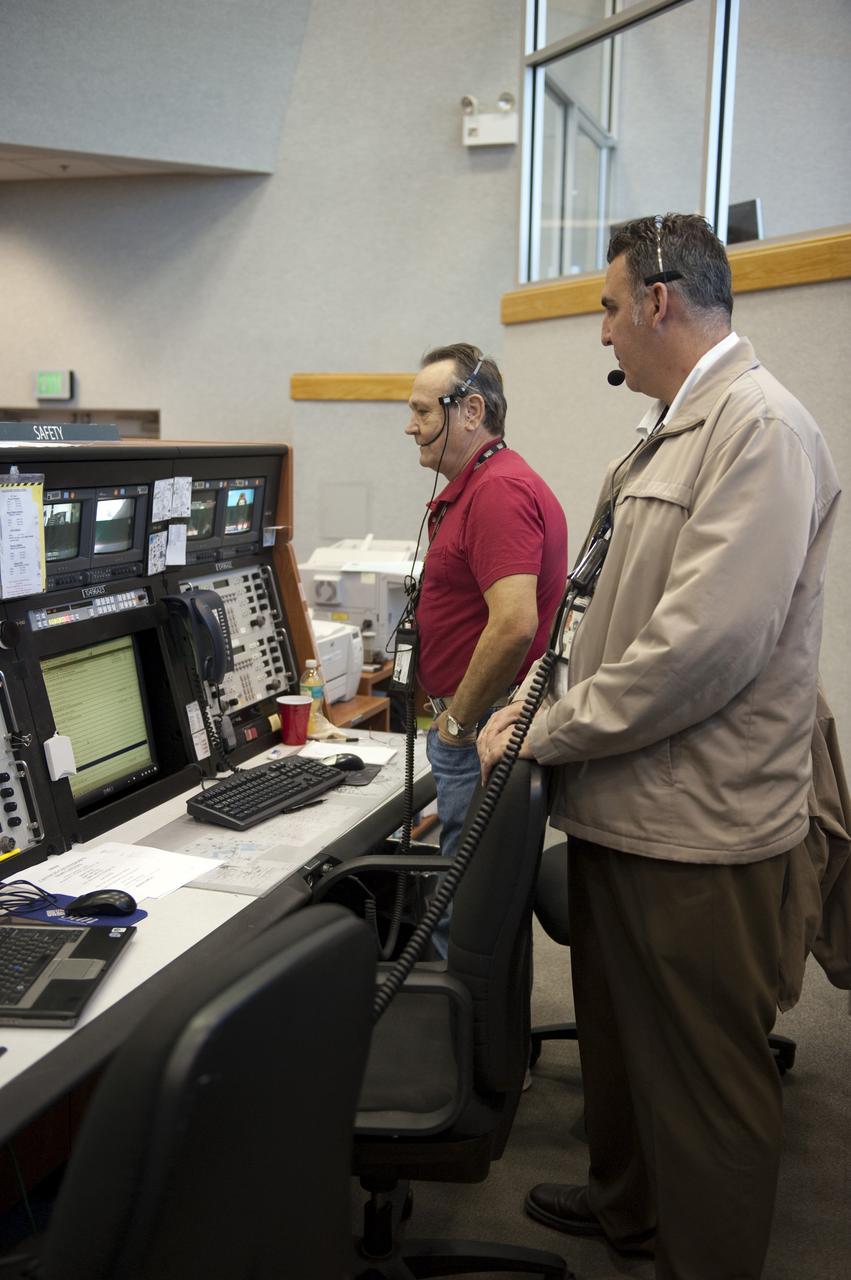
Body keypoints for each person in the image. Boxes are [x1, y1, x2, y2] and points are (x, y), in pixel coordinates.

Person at [478, 214, 841, 1279]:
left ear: (654, 300)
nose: (597, 333)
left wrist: (544, 726)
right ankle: (626, 1204)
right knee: (627, 1051)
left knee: (703, 1084)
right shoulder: (670, 426)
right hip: (626, 804)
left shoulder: (757, 428)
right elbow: (615, 614)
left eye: (602, 307)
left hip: (696, 831)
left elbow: (702, 647)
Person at [406, 342, 567, 957]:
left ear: (470, 411)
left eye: (423, 411)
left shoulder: (498, 492)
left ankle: (459, 1046)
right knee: (475, 904)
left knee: (464, 916)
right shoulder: (481, 486)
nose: (410, 425)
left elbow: (513, 626)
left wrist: (451, 726)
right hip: (479, 721)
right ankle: (480, 1041)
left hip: (477, 729)